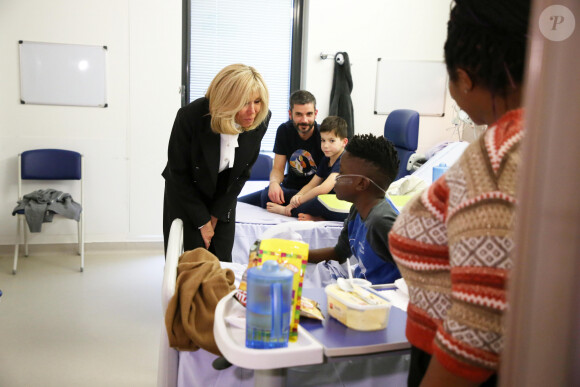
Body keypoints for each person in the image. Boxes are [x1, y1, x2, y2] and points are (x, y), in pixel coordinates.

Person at [388, 1, 530, 385]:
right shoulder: (538, 136)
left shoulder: (499, 153)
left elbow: (479, 324)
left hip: (455, 367)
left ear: (464, 78)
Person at [162, 64, 271, 262]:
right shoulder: (190, 117)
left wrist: (215, 216)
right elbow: (179, 174)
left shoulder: (260, 119)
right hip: (187, 192)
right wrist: (203, 222)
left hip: (224, 193)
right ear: (227, 101)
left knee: (221, 258)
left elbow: (242, 173)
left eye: (257, 101)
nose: (253, 111)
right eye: (245, 103)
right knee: (193, 261)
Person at [308, 134, 401, 285]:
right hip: (362, 289)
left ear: (361, 184)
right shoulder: (357, 210)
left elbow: (421, 275)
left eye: (342, 173)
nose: (336, 178)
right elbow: (339, 253)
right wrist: (296, 254)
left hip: (381, 299)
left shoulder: (382, 221)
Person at [238, 90, 324, 208]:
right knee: (255, 199)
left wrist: (300, 197)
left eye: (309, 114)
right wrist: (274, 184)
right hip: (290, 188)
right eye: (298, 114)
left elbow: (322, 180)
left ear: (316, 113)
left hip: (313, 192)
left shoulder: (324, 135)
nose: (304, 120)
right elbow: (278, 169)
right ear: (290, 114)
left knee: (319, 202)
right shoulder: (284, 130)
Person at [266, 116, 349, 222]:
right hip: (330, 201)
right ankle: (319, 218)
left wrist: (297, 202)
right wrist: (298, 195)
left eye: (331, 141)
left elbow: (323, 188)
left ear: (344, 142)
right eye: (323, 140)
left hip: (344, 207)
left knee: (316, 201)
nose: (325, 145)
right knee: (308, 199)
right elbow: (312, 184)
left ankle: (287, 211)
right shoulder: (326, 159)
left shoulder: (344, 159)